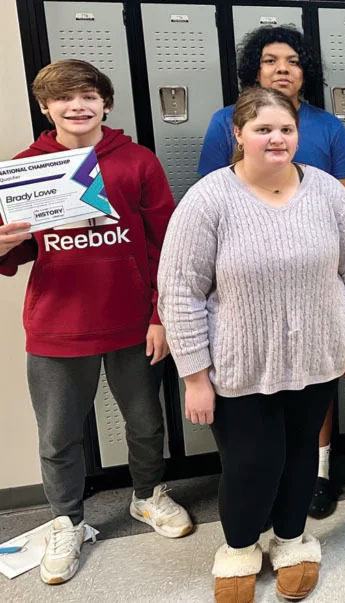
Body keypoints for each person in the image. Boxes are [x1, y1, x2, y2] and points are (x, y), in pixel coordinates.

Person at [159, 86, 345, 602]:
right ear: (238, 135)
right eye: (263, 129)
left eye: (285, 129)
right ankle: (238, 547)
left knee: (302, 455)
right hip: (238, 365)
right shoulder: (210, 198)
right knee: (250, 463)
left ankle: (292, 540)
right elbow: (179, 290)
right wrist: (194, 376)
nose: (276, 139)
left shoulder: (326, 192)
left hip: (317, 358)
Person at [0, 59, 193, 585]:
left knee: (146, 422)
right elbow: (14, 256)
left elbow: (168, 247)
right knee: (59, 436)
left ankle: (147, 496)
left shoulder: (137, 162)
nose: (78, 106)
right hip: (57, 325)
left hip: (133, 322)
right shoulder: (24, 168)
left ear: (105, 103)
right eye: (64, 98)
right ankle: (67, 520)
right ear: (46, 107)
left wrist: (161, 316)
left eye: (88, 95)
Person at [196, 25, 345, 519]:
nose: (283, 69)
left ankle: (320, 471)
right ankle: (255, 487)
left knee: (315, 380)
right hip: (247, 289)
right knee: (252, 402)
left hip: (312, 281)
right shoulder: (224, 121)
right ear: (254, 70)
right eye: (271, 60)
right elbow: (210, 199)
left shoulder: (327, 126)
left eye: (292, 60)